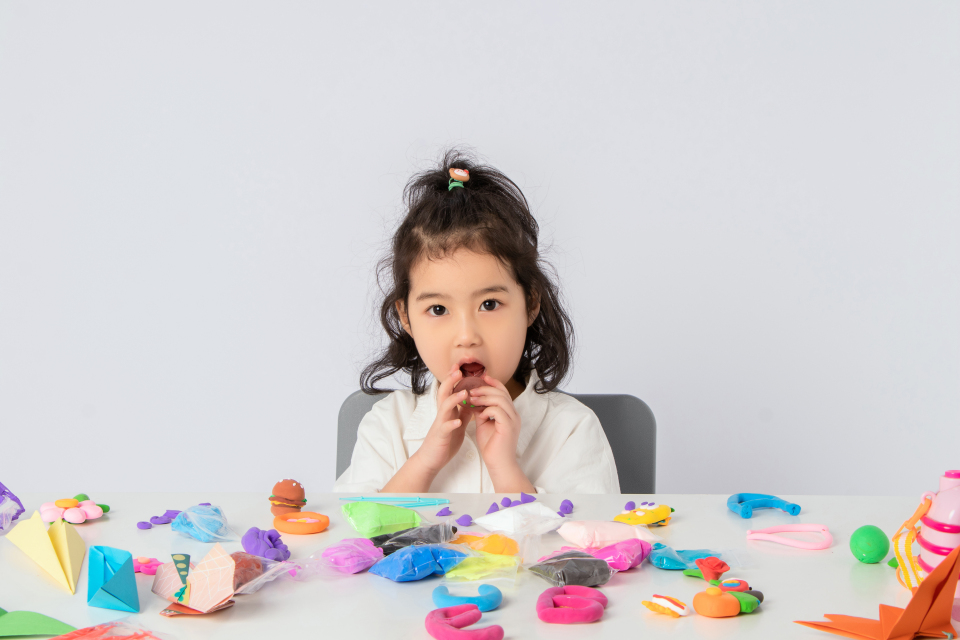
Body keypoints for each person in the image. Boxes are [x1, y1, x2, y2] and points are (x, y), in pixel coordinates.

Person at [334, 149, 619, 494]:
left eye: (489, 304)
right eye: (438, 310)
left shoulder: (572, 429)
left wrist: (504, 467)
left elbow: (577, 545)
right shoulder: (387, 425)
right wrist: (426, 460)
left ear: (530, 304)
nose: (467, 336)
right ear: (405, 318)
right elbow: (358, 541)